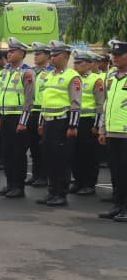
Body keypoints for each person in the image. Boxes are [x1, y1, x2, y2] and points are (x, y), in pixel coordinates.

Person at [36, 41, 82, 207]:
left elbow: (76, 103)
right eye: (52, 55)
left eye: (56, 55)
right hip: (48, 122)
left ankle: (60, 194)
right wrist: (41, 122)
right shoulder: (49, 75)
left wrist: (73, 126)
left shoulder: (72, 76)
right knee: (49, 158)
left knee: (61, 160)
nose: (53, 58)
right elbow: (45, 102)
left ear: (66, 56)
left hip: (62, 122)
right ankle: (51, 192)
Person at [0, 38, 33, 198]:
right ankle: (10, 183)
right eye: (8, 51)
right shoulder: (6, 72)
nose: (8, 54)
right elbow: (2, 96)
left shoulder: (27, 73)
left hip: (18, 118)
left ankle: (18, 186)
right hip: (5, 117)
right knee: (7, 152)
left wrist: (23, 122)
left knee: (18, 153)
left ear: (21, 53)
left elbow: (29, 100)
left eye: (12, 51)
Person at [98, 39, 127, 222]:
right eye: (113, 55)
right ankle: (118, 205)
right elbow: (106, 105)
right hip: (112, 132)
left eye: (119, 55)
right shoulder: (111, 77)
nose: (115, 58)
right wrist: (103, 129)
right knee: (116, 172)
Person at [71, 51, 104, 196]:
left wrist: (96, 125)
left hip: (88, 121)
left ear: (89, 64)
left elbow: (100, 104)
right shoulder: (73, 78)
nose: (76, 65)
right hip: (75, 120)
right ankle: (78, 181)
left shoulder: (96, 80)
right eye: (75, 62)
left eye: (80, 63)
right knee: (75, 153)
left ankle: (89, 184)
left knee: (89, 155)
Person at [25, 42, 53, 187]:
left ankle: (44, 175)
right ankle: (36, 174)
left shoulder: (51, 72)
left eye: (39, 54)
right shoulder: (32, 71)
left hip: (44, 112)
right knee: (33, 146)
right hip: (32, 111)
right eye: (35, 54)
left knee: (44, 146)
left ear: (47, 56)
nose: (35, 56)